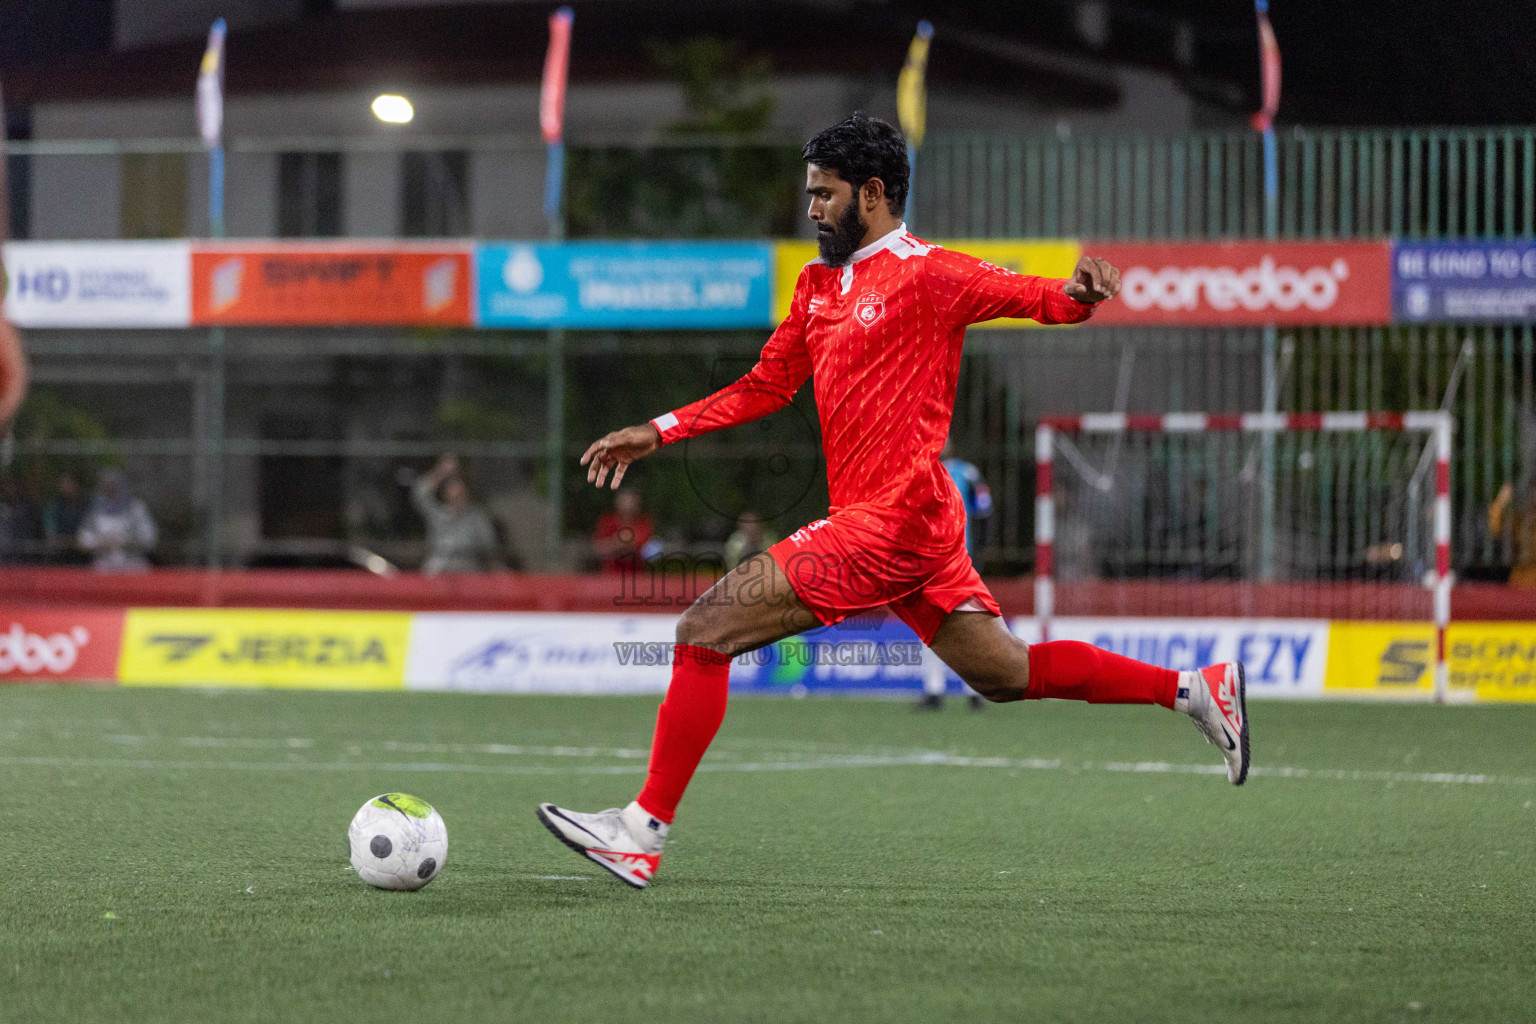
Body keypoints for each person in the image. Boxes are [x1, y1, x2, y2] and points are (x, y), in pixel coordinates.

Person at [538, 114, 1248, 890]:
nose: (812, 208)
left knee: (704, 628)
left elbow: (1041, 297)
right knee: (1005, 673)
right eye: (810, 194)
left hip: (896, 519)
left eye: (824, 194)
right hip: (903, 526)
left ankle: (641, 831)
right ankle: (1194, 691)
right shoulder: (817, 287)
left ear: (871, 194)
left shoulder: (930, 274)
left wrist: (1080, 293)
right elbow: (766, 386)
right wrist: (659, 430)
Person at [917, 438, 994, 710]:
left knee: (969, 626)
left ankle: (974, 691)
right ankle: (934, 690)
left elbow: (984, 513)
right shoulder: (918, 474)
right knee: (929, 627)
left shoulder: (967, 474)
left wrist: (979, 556)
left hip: (961, 564)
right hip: (930, 565)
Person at [411, 455, 504, 575]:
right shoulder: (436, 514)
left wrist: (498, 571)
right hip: (438, 572)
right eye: (454, 495)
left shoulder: (476, 517)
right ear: (446, 496)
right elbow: (419, 494)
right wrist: (441, 471)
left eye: (461, 494)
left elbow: (489, 546)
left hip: (468, 573)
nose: (458, 498)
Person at [78, 468, 157, 572]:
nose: (110, 491)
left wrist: (127, 541)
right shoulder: (95, 511)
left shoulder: (136, 509)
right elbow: (83, 539)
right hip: (103, 564)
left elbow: (149, 538)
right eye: (106, 487)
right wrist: (102, 541)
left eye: (113, 487)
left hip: (132, 563)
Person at [591, 489, 656, 573]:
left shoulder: (644, 522)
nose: (628, 505)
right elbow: (599, 549)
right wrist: (621, 543)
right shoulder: (607, 521)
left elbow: (645, 549)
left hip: (637, 575)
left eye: (631, 501)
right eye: (624, 501)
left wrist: (616, 543)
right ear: (617, 503)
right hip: (611, 575)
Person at [44, 473, 88, 563]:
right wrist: (64, 540)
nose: (65, 487)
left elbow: (89, 527)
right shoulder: (55, 507)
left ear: (75, 484)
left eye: (68, 483)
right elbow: (51, 532)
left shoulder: (85, 505)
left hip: (82, 554)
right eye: (62, 484)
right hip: (60, 554)